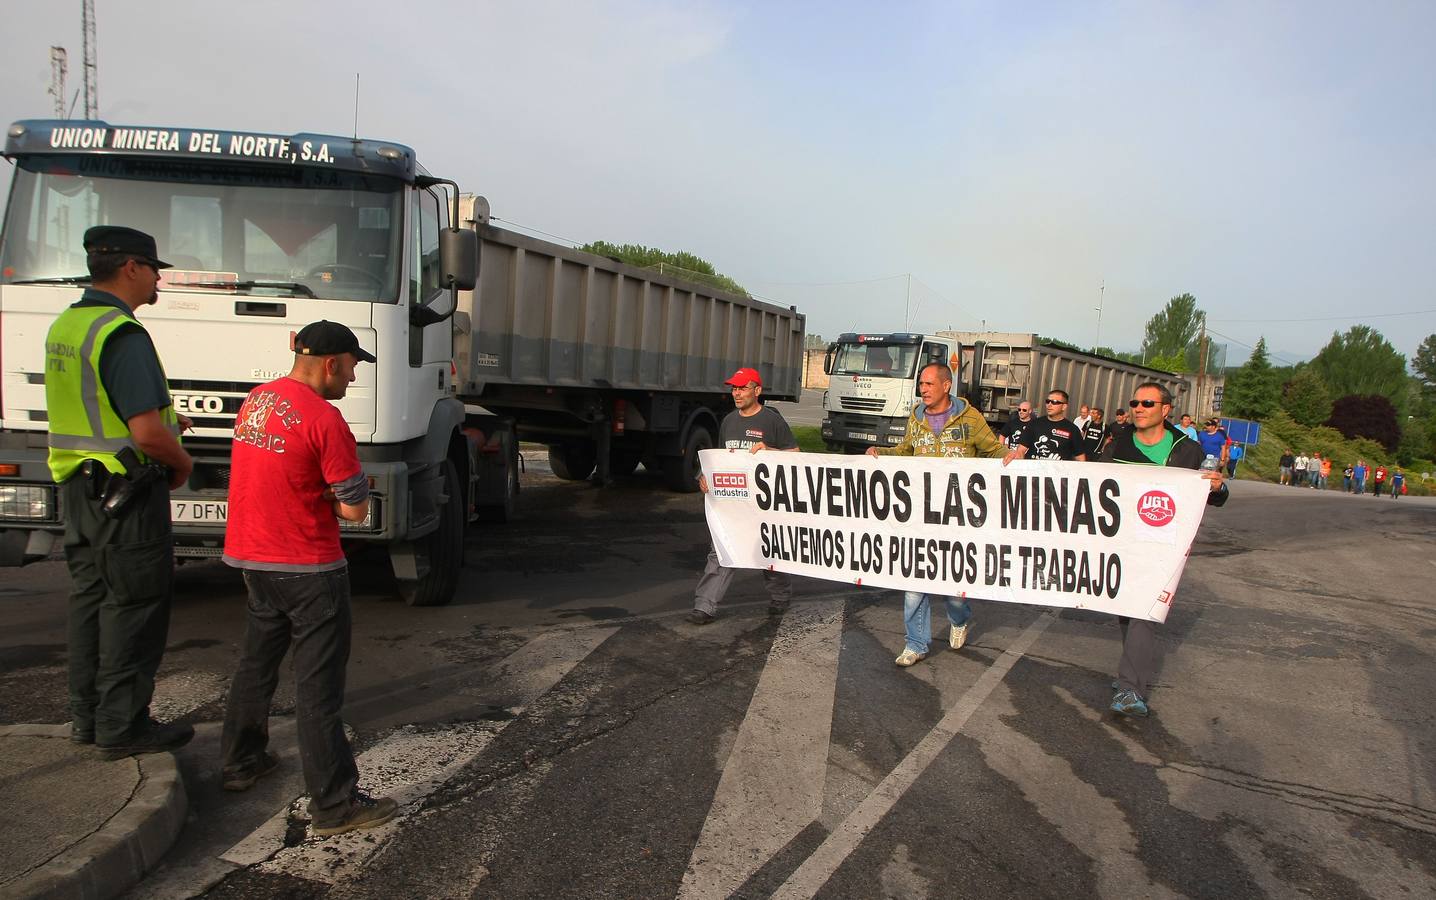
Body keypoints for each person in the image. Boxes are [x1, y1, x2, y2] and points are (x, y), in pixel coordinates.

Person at [219, 321, 399, 836]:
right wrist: (335, 493)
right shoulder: (325, 418)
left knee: (256, 667)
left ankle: (240, 762)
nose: (353, 376)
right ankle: (335, 805)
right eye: (353, 365)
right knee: (319, 691)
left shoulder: (258, 400)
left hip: (254, 559)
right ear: (330, 363)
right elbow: (355, 510)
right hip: (309, 567)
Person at [44, 226, 196, 760]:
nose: (158, 279)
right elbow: (147, 432)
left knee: (90, 603)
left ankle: (87, 718)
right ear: (131, 268)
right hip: (125, 494)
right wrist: (180, 462)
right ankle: (123, 724)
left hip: (80, 489)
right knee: (133, 607)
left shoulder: (70, 324)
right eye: (155, 269)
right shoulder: (122, 334)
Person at [1099, 382, 1228, 717]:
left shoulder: (1188, 450)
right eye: (1134, 402)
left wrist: (1218, 487)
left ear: (1165, 409)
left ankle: (1130, 688)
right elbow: (1091, 481)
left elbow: (1213, 495)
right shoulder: (1119, 443)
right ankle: (1133, 672)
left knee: (1144, 609)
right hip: (1123, 540)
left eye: (1147, 403)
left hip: (1163, 544)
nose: (1138, 408)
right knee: (1127, 608)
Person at [869, 364, 1008, 667]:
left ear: (947, 386)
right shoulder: (916, 417)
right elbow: (906, 450)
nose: (924, 389)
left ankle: (959, 619)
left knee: (953, 590)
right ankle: (915, 643)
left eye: (929, 384)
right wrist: (881, 453)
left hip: (957, 519)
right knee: (914, 583)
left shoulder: (969, 418)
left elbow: (991, 450)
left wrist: (1010, 456)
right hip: (920, 517)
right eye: (921, 384)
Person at [690, 367, 799, 625]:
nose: (736, 393)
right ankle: (704, 606)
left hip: (764, 505)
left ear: (757, 391)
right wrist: (704, 477)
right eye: (734, 388)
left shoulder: (772, 420)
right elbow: (718, 460)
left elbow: (795, 453)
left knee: (769, 552)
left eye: (742, 388)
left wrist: (770, 450)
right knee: (722, 549)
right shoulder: (729, 421)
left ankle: (780, 597)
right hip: (732, 504)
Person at [1007, 389, 1087, 462]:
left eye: (1054, 402)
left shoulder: (1072, 429)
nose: (1049, 405)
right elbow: (1021, 450)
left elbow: (1081, 458)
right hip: (1033, 474)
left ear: (1064, 406)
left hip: (1057, 475)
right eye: (1048, 401)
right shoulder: (1034, 424)